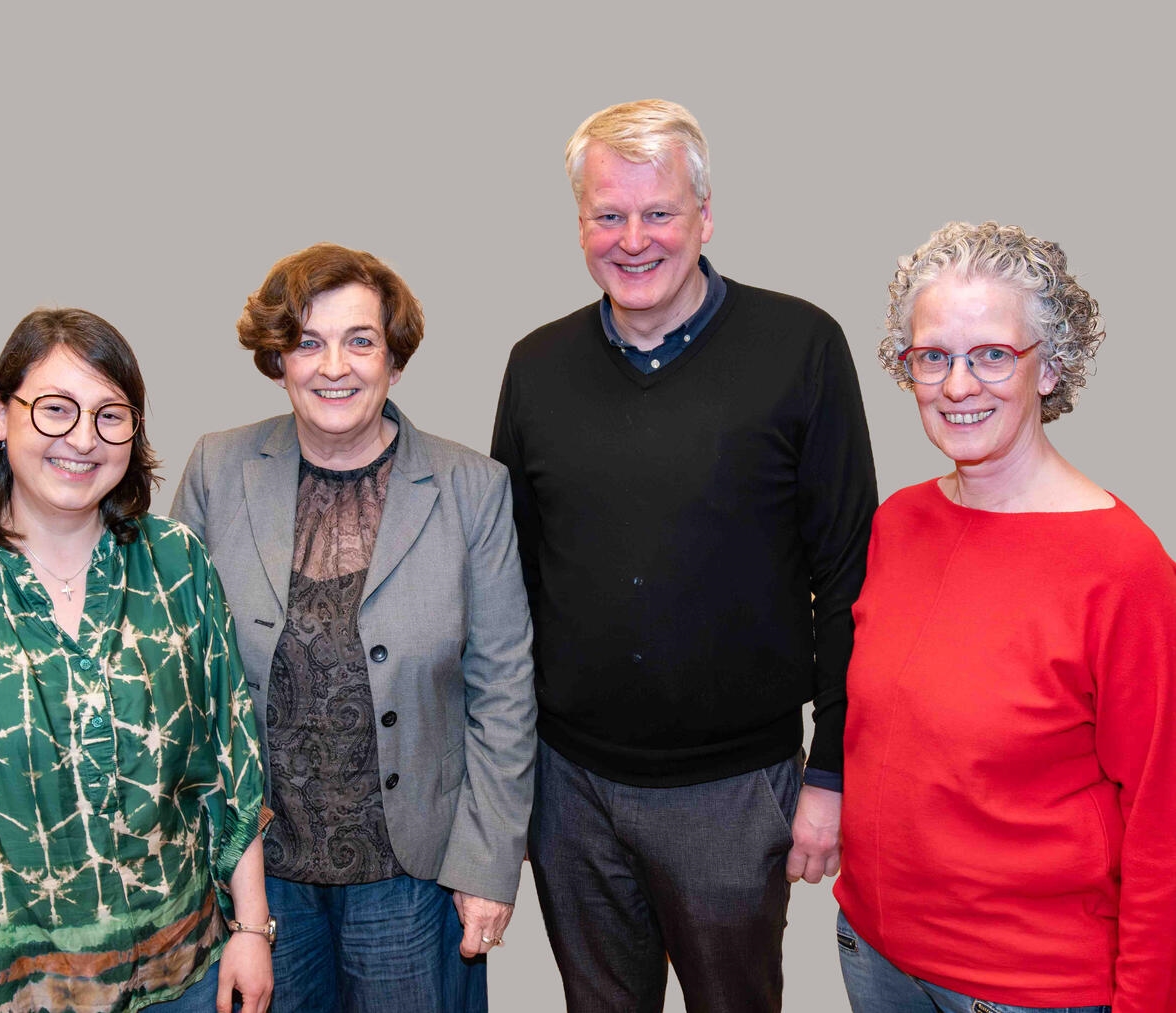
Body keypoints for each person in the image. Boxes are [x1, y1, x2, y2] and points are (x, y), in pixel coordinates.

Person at [490, 98, 877, 1011]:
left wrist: (832, 772)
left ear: (705, 216)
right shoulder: (535, 365)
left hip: (736, 790)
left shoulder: (802, 347)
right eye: (606, 214)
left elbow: (850, 572)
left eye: (658, 212)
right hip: (570, 784)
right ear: (579, 222)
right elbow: (510, 580)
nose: (633, 239)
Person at [0, 308, 272, 1012]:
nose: (83, 439)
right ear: (0, 415)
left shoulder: (175, 562)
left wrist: (251, 928)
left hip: (182, 976)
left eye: (110, 415)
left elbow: (230, 754)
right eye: (56, 409)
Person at [171, 243, 535, 1013]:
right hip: (258, 876)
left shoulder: (474, 487)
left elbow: (504, 688)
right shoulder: (216, 469)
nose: (334, 364)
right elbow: (181, 673)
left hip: (412, 875)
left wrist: (487, 864)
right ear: (278, 360)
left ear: (394, 359)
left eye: (360, 340)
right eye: (307, 341)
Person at [835, 221, 1176, 1013]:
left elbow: (1163, 820)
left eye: (992, 354)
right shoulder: (900, 523)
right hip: (876, 954)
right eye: (932, 356)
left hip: (1027, 986)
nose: (958, 386)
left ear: (1050, 366)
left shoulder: (1123, 568)